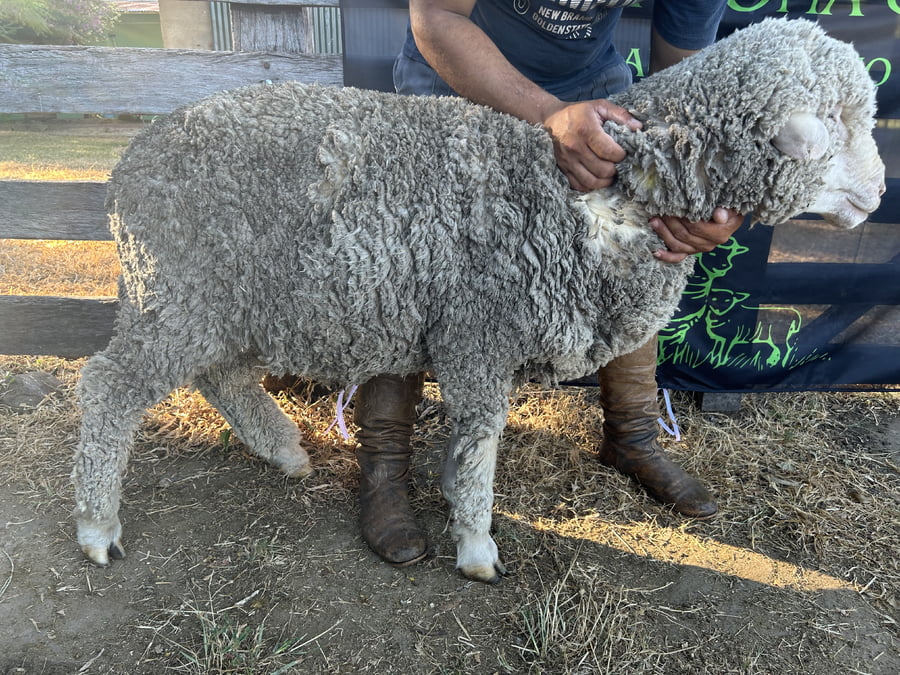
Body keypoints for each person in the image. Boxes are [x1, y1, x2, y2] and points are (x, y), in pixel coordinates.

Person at [354, 0, 745, 567]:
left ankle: (631, 437)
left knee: (634, 231)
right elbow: (436, 17)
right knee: (413, 257)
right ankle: (384, 466)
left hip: (591, 83)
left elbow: (684, 80)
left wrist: (705, 194)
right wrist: (549, 114)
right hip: (455, 75)